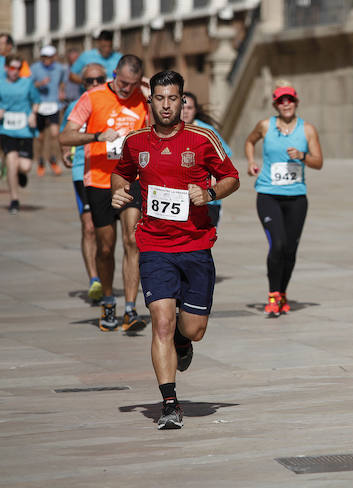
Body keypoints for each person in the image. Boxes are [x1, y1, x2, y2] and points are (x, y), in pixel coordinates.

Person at [111, 70, 240, 430]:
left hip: (196, 245)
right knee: (161, 322)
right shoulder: (135, 142)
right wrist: (117, 191)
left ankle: (185, 341)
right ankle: (169, 401)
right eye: (160, 98)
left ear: (182, 102)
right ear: (150, 100)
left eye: (173, 99)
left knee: (193, 328)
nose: (166, 106)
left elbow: (232, 177)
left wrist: (210, 193)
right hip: (154, 245)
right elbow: (120, 174)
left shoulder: (202, 139)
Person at [59, 55, 149, 332]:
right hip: (98, 181)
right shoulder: (92, 97)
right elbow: (65, 136)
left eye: (132, 84)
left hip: (131, 180)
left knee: (133, 241)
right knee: (106, 247)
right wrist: (97, 136)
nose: (126, 89)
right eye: (122, 83)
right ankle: (109, 300)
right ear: (114, 74)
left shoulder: (142, 97)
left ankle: (131, 308)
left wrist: (149, 95)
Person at [244, 82, 323, 318]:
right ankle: (273, 294)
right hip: (268, 194)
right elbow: (249, 141)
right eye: (281, 100)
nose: (285, 104)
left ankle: (283, 293)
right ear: (275, 104)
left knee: (290, 249)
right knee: (277, 244)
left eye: (289, 100)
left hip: (297, 198)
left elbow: (319, 162)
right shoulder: (265, 125)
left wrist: (302, 156)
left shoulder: (307, 129)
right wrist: (250, 162)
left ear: (296, 102)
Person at [61, 63, 106, 302]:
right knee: (89, 226)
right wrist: (65, 152)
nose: (96, 84)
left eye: (100, 79)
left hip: (113, 173)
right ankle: (94, 279)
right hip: (83, 172)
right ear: (83, 84)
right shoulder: (75, 106)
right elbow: (65, 136)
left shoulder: (114, 103)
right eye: (90, 81)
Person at [181, 91, 232, 227]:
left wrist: (215, 177)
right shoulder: (168, 130)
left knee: (204, 242)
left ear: (195, 110)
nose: (185, 111)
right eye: (182, 107)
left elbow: (225, 157)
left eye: (189, 108)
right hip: (179, 198)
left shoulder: (208, 131)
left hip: (207, 198)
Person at [0, 55, 39, 214]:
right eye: (12, 68)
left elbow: (36, 101)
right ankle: (14, 200)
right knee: (11, 161)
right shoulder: (1, 84)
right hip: (6, 129)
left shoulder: (27, 83)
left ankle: (20, 174)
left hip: (24, 129)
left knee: (24, 166)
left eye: (17, 68)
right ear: (6, 68)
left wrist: (33, 114)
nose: (14, 72)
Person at [31, 45, 67, 176]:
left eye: (49, 57)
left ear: (54, 57)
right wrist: (40, 84)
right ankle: (40, 161)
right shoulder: (35, 68)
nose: (46, 59)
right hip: (39, 104)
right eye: (44, 57)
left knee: (54, 133)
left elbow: (63, 82)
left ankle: (53, 159)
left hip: (54, 104)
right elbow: (29, 84)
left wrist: (61, 91)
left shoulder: (60, 68)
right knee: (40, 137)